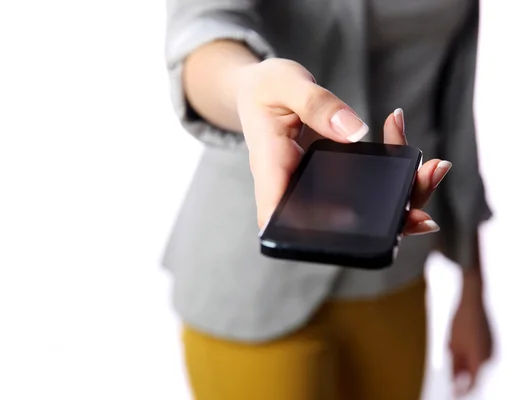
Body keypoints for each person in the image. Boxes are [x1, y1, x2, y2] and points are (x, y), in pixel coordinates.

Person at [163, 0, 494, 398]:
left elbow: (455, 114)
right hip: (251, 279)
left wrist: (473, 286)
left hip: (392, 275)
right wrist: (247, 87)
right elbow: (203, 27)